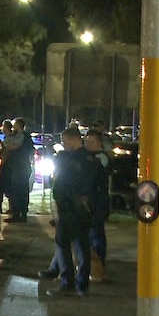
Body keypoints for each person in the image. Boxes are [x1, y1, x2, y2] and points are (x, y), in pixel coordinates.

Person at [45, 126, 94, 297]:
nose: (64, 145)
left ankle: (67, 283)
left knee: (63, 243)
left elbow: (63, 183)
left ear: (74, 140)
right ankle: (82, 284)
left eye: (66, 142)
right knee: (82, 245)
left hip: (69, 208)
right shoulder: (89, 159)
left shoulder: (69, 159)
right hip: (81, 209)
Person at [84, 129, 111, 282]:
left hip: (98, 203)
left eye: (91, 142)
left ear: (99, 144)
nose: (87, 145)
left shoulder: (101, 159)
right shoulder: (89, 157)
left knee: (96, 235)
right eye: (86, 142)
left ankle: (98, 268)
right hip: (91, 202)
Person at [4, 117, 32, 223]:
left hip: (20, 167)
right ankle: (21, 213)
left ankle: (18, 214)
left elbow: (14, 146)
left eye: (15, 124)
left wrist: (8, 144)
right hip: (22, 166)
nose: (13, 126)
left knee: (18, 190)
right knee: (22, 190)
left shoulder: (22, 136)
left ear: (19, 125)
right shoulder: (23, 136)